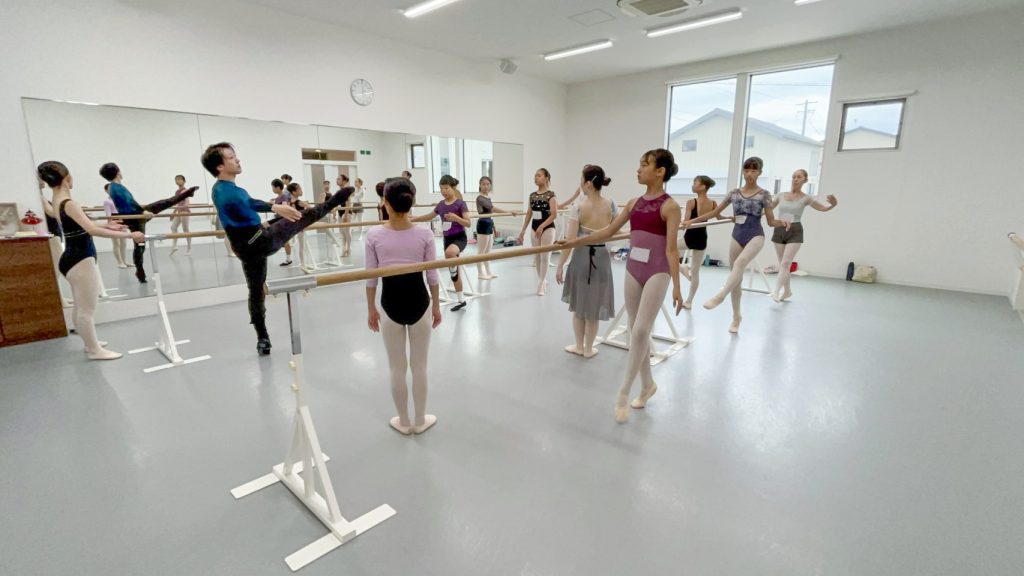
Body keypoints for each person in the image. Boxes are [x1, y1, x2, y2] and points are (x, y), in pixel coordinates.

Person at [563, 149, 684, 423]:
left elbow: (671, 250)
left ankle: (623, 392)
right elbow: (607, 232)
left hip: (657, 271)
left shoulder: (670, 207)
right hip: (633, 268)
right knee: (634, 330)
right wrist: (573, 242)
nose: (638, 169)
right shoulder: (632, 203)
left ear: (660, 171)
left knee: (640, 330)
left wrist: (677, 286)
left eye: (644, 165)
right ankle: (648, 385)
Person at [203, 142, 350, 354]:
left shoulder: (222, 188)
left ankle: (262, 338)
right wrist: (274, 207)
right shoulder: (224, 190)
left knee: (255, 291)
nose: (237, 159)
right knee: (303, 216)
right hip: (258, 242)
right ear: (219, 166)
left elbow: (243, 211)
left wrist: (267, 219)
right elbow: (247, 202)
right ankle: (335, 201)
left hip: (249, 243)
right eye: (232, 157)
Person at [38, 161, 145, 360]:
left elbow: (81, 225)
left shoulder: (57, 200)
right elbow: (92, 230)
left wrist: (108, 224)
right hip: (80, 259)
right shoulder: (69, 203)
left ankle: (90, 343)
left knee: (80, 306)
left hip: (71, 257)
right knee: (86, 310)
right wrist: (130, 235)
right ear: (68, 178)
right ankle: (94, 349)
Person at [365, 177, 442, 435]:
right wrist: (436, 306)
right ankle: (420, 420)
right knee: (419, 367)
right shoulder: (424, 233)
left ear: (385, 203)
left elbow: (371, 277)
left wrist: (371, 308)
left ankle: (404, 420)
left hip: (390, 304)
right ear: (413, 201)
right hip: (420, 301)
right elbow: (432, 275)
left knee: (396, 368)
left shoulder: (374, 235)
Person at [684, 157, 789, 334]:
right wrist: (691, 221)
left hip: (756, 235)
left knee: (740, 263)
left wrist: (782, 222)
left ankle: (720, 296)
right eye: (746, 170)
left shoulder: (764, 194)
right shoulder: (734, 193)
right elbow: (714, 212)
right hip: (737, 235)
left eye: (753, 171)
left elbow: (771, 221)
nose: (749, 174)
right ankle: (736, 317)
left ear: (760, 173)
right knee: (736, 279)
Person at [555, 165, 617, 359]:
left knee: (579, 307)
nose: (580, 183)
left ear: (588, 183)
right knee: (593, 308)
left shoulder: (578, 207)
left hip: (581, 257)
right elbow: (616, 231)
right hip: (602, 257)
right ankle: (589, 349)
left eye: (581, 180)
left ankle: (580, 346)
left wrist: (560, 265)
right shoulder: (611, 204)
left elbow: (570, 240)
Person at [99, 162, 196, 283]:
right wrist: (143, 212)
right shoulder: (116, 188)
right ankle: (140, 272)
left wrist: (141, 211)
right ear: (118, 172)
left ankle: (187, 193)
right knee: (140, 245)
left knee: (162, 203)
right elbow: (128, 204)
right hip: (136, 217)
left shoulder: (114, 187)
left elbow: (128, 202)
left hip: (135, 215)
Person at [769, 169, 838, 302]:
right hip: (779, 229)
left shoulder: (806, 198)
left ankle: (776, 291)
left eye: (799, 177)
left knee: (786, 263)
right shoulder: (780, 195)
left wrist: (833, 205)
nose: (795, 179)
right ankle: (787, 291)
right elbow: (767, 209)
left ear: (805, 180)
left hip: (795, 230)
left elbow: (822, 208)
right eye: (794, 176)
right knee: (783, 264)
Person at [412, 175, 471, 310]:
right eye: (441, 188)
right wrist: (412, 219)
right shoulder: (441, 205)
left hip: (459, 238)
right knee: (454, 272)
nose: (443, 191)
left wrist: (456, 218)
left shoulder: (461, 204)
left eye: (446, 188)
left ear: (453, 188)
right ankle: (461, 300)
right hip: (447, 239)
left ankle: (454, 272)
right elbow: (429, 216)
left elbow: (468, 223)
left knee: (450, 253)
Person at [680, 176, 720, 309]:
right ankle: (689, 302)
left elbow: (686, 221)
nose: (692, 185)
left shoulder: (691, 202)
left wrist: (680, 221)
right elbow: (719, 217)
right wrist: (730, 218)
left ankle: (681, 268)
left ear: (703, 187)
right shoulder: (713, 203)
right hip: (702, 239)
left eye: (695, 183)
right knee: (695, 272)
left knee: (666, 249)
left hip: (690, 238)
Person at [518, 168, 558, 295]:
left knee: (545, 256)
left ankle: (541, 284)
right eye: (535, 175)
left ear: (546, 178)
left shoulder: (551, 195)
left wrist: (542, 226)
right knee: (537, 256)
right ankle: (542, 279)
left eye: (539, 175)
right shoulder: (532, 196)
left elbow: (554, 214)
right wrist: (523, 230)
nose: (536, 177)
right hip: (534, 227)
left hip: (548, 227)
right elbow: (529, 213)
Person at [475, 176, 512, 280]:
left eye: (488, 184)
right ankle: (480, 273)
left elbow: (491, 215)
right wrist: (508, 212)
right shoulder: (480, 198)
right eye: (483, 184)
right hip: (483, 225)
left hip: (489, 224)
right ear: (480, 185)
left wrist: (494, 228)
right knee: (481, 251)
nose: (486, 186)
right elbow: (493, 209)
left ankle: (489, 272)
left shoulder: (488, 197)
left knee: (488, 252)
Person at [102, 183, 129, 268]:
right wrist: (110, 225)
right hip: (113, 221)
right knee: (116, 243)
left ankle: (124, 261)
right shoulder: (107, 201)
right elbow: (108, 215)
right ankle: (120, 262)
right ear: (106, 191)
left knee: (124, 243)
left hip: (122, 220)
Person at [271, 178, 293, 266]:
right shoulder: (278, 197)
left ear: (277, 188)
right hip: (279, 220)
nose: (272, 189)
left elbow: (285, 208)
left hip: (283, 221)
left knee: (285, 241)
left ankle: (288, 259)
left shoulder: (284, 197)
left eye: (273, 187)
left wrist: (275, 207)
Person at [169, 175, 193, 255]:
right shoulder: (177, 192)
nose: (177, 181)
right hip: (179, 211)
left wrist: (185, 206)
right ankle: (174, 246)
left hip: (184, 211)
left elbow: (187, 201)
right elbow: (177, 203)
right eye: (176, 180)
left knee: (185, 229)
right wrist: (173, 213)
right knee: (173, 227)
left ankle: (189, 248)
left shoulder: (185, 190)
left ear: (184, 181)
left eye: (179, 179)